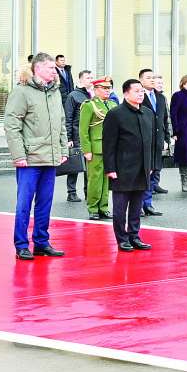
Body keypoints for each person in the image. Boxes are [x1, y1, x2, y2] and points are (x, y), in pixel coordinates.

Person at [4, 52, 68, 260]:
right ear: (38, 68)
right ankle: (21, 245)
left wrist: (63, 150)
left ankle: (41, 242)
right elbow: (12, 125)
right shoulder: (22, 92)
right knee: (24, 204)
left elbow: (61, 123)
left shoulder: (55, 91)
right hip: (29, 159)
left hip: (50, 157)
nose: (55, 71)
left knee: (45, 203)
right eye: (50, 68)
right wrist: (18, 155)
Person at [102, 78, 156, 252]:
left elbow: (151, 142)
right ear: (126, 94)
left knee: (136, 207)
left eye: (142, 91)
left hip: (142, 168)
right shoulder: (115, 114)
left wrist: (151, 164)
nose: (140, 94)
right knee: (120, 208)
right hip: (122, 168)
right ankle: (122, 239)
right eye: (136, 91)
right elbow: (108, 144)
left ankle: (134, 236)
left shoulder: (148, 113)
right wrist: (110, 168)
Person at [78, 77, 114, 220]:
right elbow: (83, 130)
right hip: (96, 148)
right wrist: (86, 150)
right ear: (96, 89)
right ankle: (93, 208)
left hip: (110, 148)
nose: (107, 91)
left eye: (109, 88)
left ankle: (103, 207)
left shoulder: (112, 104)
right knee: (94, 179)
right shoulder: (89, 105)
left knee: (107, 179)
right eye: (104, 88)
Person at [139, 68, 169, 215]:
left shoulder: (161, 98)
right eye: (148, 78)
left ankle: (148, 204)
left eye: (153, 77)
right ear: (141, 80)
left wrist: (167, 138)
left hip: (157, 142)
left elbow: (164, 119)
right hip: (143, 141)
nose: (152, 80)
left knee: (153, 173)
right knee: (142, 175)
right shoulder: (138, 96)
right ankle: (138, 205)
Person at [63, 69, 93, 202]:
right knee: (74, 165)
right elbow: (68, 118)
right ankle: (71, 192)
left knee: (89, 166)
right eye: (87, 78)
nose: (90, 80)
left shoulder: (92, 95)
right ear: (80, 80)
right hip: (76, 136)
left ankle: (88, 191)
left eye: (91, 78)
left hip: (89, 136)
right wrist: (68, 138)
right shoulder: (73, 96)